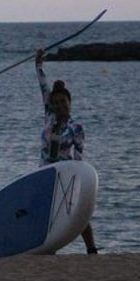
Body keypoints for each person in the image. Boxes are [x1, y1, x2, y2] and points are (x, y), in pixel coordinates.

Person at [35, 49, 98, 254]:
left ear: (70, 103)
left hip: (65, 173)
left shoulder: (76, 127)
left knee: (75, 211)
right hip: (44, 172)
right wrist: (39, 66)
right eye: (57, 102)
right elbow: (43, 87)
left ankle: (91, 248)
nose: (61, 105)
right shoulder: (49, 118)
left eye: (64, 102)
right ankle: (46, 248)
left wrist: (80, 178)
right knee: (45, 212)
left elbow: (79, 156)